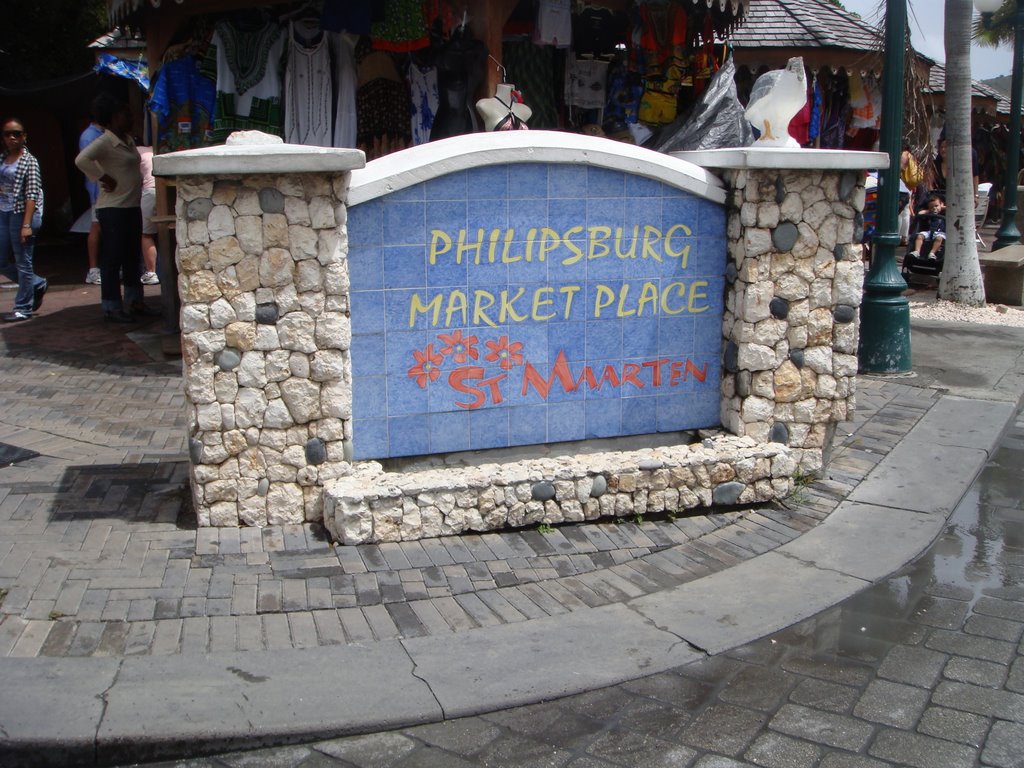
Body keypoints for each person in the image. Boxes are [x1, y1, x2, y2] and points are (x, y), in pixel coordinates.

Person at [74, 95, 152, 323]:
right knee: (112, 258)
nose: (129, 117)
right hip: (113, 209)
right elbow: (81, 160)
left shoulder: (126, 139)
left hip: (131, 206)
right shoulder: (105, 141)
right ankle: (111, 305)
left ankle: (134, 300)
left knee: (131, 256)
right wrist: (102, 176)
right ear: (113, 118)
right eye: (124, 114)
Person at [0, 117, 48, 323]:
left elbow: (32, 195)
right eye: (8, 134)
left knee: (23, 261)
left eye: (17, 134)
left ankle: (23, 307)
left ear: (24, 136)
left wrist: (26, 225)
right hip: (4, 212)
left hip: (21, 214)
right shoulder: (2, 159)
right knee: (1, 260)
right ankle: (36, 283)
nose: (12, 137)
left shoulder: (30, 161)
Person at [79, 114, 103, 285]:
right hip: (99, 190)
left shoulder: (98, 133)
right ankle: (93, 269)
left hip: (102, 190)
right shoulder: (90, 136)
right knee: (96, 226)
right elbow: (88, 164)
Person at [137, 145, 159, 285]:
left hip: (150, 190)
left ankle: (151, 272)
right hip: (165, 189)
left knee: (146, 234)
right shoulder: (157, 149)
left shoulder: (136, 152)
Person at [908, 194, 946, 261]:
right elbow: (920, 213)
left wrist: (942, 207)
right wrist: (929, 211)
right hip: (928, 231)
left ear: (941, 204)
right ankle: (917, 251)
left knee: (939, 238)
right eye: (931, 207)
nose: (934, 208)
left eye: (936, 206)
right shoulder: (928, 213)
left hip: (939, 232)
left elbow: (951, 209)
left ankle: (932, 253)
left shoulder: (943, 213)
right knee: (919, 236)